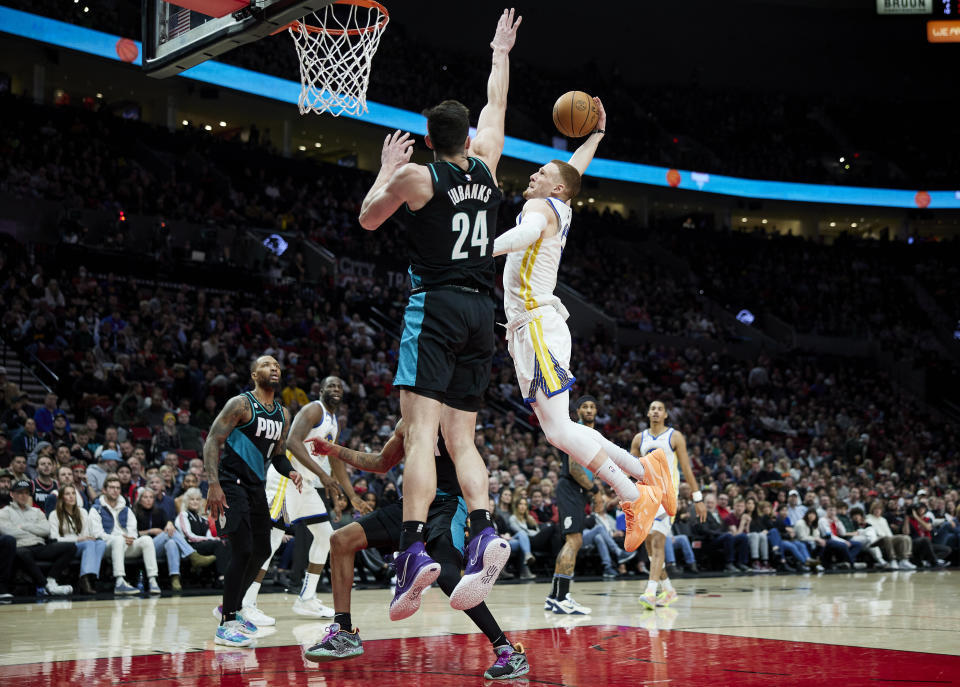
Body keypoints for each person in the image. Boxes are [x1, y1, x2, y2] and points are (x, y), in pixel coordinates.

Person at [356, 8, 522, 620]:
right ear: (468, 139)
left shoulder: (417, 178)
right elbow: (497, 106)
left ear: (429, 141)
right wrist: (499, 53)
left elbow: (369, 217)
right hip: (485, 312)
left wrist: (383, 170)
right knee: (463, 438)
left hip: (438, 306)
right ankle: (482, 532)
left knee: (423, 435)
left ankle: (413, 548)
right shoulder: (488, 164)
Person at [493, 100, 671, 552]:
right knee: (560, 427)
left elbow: (524, 235)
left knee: (558, 431)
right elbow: (570, 171)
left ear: (554, 187)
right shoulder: (560, 202)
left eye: (540, 173)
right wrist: (594, 137)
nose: (531, 175)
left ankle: (634, 495)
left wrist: (478, 249)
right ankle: (645, 469)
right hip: (531, 328)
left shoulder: (541, 212)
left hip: (535, 326)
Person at [303, 420, 530, 681]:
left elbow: (473, 463)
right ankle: (343, 632)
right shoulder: (408, 420)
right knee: (341, 540)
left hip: (446, 506)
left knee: (448, 577)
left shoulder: (455, 414)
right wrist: (332, 449)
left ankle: (508, 651)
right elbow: (381, 462)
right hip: (411, 506)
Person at [245, 376, 366, 625]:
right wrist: (323, 475)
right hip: (285, 479)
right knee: (272, 540)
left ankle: (307, 599)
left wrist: (352, 496)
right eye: (330, 386)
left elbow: (335, 461)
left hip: (306, 484)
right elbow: (291, 441)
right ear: (320, 391)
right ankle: (245, 603)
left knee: (326, 537)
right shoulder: (314, 409)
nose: (335, 389)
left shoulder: (334, 423)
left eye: (339, 387)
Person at [203, 355, 301, 648]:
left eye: (277, 366)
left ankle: (230, 606)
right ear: (253, 373)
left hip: (256, 486)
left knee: (263, 549)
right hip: (231, 483)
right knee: (243, 549)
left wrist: (291, 471)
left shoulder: (283, 413)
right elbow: (212, 440)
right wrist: (213, 483)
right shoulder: (241, 404)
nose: (274, 368)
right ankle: (227, 624)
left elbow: (279, 455)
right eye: (267, 364)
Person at [631, 400, 707, 609]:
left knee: (657, 541)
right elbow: (632, 470)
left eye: (659, 409)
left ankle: (650, 591)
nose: (655, 411)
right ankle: (668, 589)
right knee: (648, 543)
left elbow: (687, 468)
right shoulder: (639, 439)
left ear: (665, 415)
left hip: (667, 497)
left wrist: (697, 498)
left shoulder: (674, 437)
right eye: (652, 408)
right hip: (646, 497)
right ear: (648, 413)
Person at [0, 479, 75, 595]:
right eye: (20, 492)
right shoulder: (5, 512)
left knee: (71, 547)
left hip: (39, 546)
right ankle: (44, 585)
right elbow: (7, 531)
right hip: (20, 546)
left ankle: (51, 580)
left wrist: (24, 526)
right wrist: (34, 531)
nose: (23, 496)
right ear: (12, 494)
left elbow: (46, 530)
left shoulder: (37, 511)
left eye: (26, 493)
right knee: (22, 553)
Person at [89, 474, 161, 594]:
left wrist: (131, 538)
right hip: (107, 546)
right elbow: (97, 534)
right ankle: (119, 581)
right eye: (111, 487)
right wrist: (119, 538)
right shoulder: (96, 509)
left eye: (117, 488)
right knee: (118, 540)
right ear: (104, 490)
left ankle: (153, 580)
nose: (115, 490)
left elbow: (133, 530)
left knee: (147, 539)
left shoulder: (126, 509)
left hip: (126, 544)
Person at [134, 487, 215, 592]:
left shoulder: (160, 512)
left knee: (171, 542)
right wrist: (150, 531)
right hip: (142, 547)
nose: (148, 499)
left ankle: (175, 578)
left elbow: (169, 525)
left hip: (159, 548)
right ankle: (193, 555)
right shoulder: (134, 512)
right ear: (140, 499)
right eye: (145, 497)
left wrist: (169, 523)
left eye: (151, 497)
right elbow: (133, 534)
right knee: (169, 534)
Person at [48, 484, 106, 595]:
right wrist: (78, 539)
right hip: (65, 548)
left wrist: (90, 538)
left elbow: (87, 534)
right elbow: (54, 538)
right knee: (89, 544)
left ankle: (92, 577)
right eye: (67, 494)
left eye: (73, 493)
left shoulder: (83, 512)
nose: (71, 496)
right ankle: (84, 580)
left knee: (101, 543)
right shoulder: (54, 514)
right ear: (61, 497)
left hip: (83, 546)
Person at [175, 487, 230, 584]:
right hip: (190, 547)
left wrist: (214, 539)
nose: (195, 502)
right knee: (218, 544)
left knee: (226, 543)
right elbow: (189, 536)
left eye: (197, 499)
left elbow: (209, 534)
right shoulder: (183, 515)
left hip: (202, 544)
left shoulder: (202, 518)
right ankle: (221, 577)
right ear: (187, 501)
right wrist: (210, 539)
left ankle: (229, 575)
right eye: (192, 499)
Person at [865, 500, 915, 570]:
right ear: (872, 509)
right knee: (887, 538)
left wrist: (893, 538)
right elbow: (872, 533)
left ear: (881, 510)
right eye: (875, 509)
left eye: (879, 509)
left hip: (888, 537)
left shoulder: (883, 520)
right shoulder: (868, 518)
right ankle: (892, 560)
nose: (877, 510)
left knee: (905, 537)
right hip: (877, 540)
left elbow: (889, 533)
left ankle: (904, 560)